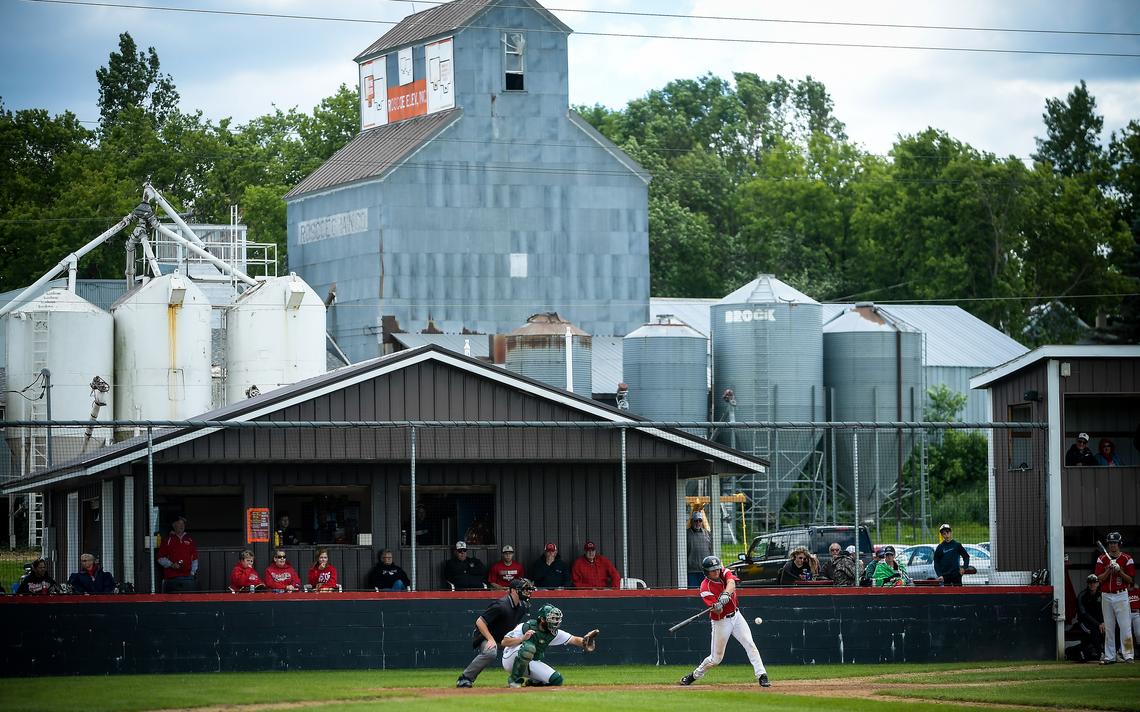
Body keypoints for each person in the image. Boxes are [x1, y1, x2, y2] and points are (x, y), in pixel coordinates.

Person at [679, 556, 770, 687]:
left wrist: (725, 594)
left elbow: (731, 583)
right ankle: (694, 675)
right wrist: (717, 606)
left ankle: (762, 675)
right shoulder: (705, 588)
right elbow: (717, 612)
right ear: (706, 572)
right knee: (716, 659)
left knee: (750, 644)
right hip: (721, 621)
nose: (716, 572)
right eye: (712, 570)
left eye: (717, 569)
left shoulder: (724, 572)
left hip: (736, 616)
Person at [456, 577, 536, 688]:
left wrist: (521, 639)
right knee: (490, 652)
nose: (527, 592)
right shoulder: (501, 605)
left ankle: (532, 679)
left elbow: (513, 627)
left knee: (529, 647)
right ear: (513, 590)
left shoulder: (522, 606)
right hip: (485, 636)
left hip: (503, 638)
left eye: (528, 589)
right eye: (524, 589)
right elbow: (480, 622)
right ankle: (465, 678)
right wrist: (490, 639)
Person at [501, 603, 599, 687]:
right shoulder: (526, 626)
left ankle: (534, 682)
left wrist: (585, 642)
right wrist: (522, 638)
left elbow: (573, 639)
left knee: (557, 680)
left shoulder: (553, 633)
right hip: (510, 658)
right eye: (552, 619)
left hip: (530, 662)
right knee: (529, 648)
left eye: (556, 619)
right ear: (542, 619)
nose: (555, 622)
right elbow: (504, 642)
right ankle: (514, 680)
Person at [1094, 531, 1135, 664]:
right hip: (1106, 596)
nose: (1112, 545)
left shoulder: (1127, 558)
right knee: (1109, 628)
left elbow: (1130, 580)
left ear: (1119, 543)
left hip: (1121, 595)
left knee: (1125, 627)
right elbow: (1098, 579)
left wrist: (1119, 571)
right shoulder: (1102, 559)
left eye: (1115, 543)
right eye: (1110, 543)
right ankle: (1109, 657)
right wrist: (1108, 570)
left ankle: (1128, 655)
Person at [156, 515, 198, 593]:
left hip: (188, 578)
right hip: (172, 578)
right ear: (174, 525)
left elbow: (194, 558)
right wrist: (171, 564)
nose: (182, 526)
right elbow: (160, 558)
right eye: (179, 523)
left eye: (183, 524)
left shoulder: (190, 540)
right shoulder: (167, 540)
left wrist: (192, 573)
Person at [1075, 574, 1105, 662]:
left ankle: (1114, 652)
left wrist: (1103, 622)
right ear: (1087, 584)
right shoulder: (1082, 595)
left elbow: (1105, 611)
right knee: (1093, 631)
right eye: (1090, 583)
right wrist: (1098, 624)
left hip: (1099, 622)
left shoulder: (1101, 595)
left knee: (1112, 630)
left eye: (1094, 583)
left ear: (1098, 584)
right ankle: (1101, 654)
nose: (1092, 585)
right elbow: (1084, 614)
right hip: (1084, 623)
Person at [686, 511, 713, 588]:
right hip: (691, 571)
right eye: (695, 520)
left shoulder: (707, 534)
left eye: (700, 520)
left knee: (706, 591)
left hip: (705, 571)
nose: (698, 522)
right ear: (691, 521)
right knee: (692, 591)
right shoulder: (686, 534)